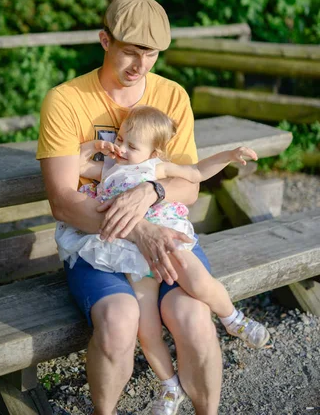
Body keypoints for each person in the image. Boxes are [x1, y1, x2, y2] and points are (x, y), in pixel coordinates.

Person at [37, 0, 221, 415]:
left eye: (152, 55)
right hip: (96, 240)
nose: (141, 66)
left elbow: (188, 187)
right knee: (119, 321)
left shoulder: (173, 97)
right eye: (130, 53)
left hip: (164, 232)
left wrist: (151, 193)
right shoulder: (65, 100)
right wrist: (137, 227)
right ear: (105, 40)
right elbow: (63, 202)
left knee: (193, 318)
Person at [57, 105, 270, 367]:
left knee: (200, 282)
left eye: (132, 147)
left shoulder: (155, 168)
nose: (122, 149)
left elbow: (196, 173)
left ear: (153, 153)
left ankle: (233, 319)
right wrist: (96, 146)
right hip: (130, 254)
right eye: (120, 139)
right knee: (147, 332)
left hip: (163, 242)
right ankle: (169, 385)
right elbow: (76, 166)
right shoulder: (109, 169)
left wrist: (229, 155)